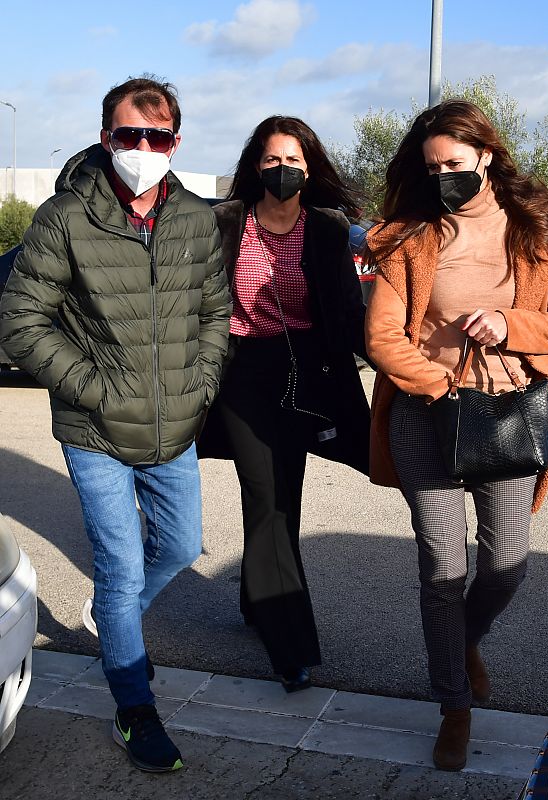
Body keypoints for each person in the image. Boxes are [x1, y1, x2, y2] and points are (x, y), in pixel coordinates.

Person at [0, 76, 231, 773]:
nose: (141, 149)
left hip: (172, 429)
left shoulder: (193, 217)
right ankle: (134, 709)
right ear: (106, 137)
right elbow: (19, 317)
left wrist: (199, 384)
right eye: (128, 136)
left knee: (182, 544)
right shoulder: (65, 217)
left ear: (175, 144)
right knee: (122, 562)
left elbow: (214, 312)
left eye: (155, 138)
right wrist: (93, 388)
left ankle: (111, 617)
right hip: (95, 430)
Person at [364, 100, 548, 772]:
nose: (444, 178)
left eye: (455, 165)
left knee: (506, 564)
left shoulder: (534, 229)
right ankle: (454, 706)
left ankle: (462, 640)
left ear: (486, 156)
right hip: (426, 417)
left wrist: (510, 322)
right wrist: (437, 388)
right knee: (442, 569)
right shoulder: (408, 238)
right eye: (432, 168)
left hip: (509, 416)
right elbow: (381, 336)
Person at [196, 115, 371, 691]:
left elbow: (347, 312)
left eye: (293, 161)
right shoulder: (224, 222)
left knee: (283, 496)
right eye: (272, 160)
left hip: (303, 375)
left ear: (310, 166)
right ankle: (290, 641)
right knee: (265, 492)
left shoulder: (325, 228)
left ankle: (255, 600)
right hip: (239, 373)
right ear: (254, 165)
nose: (282, 171)